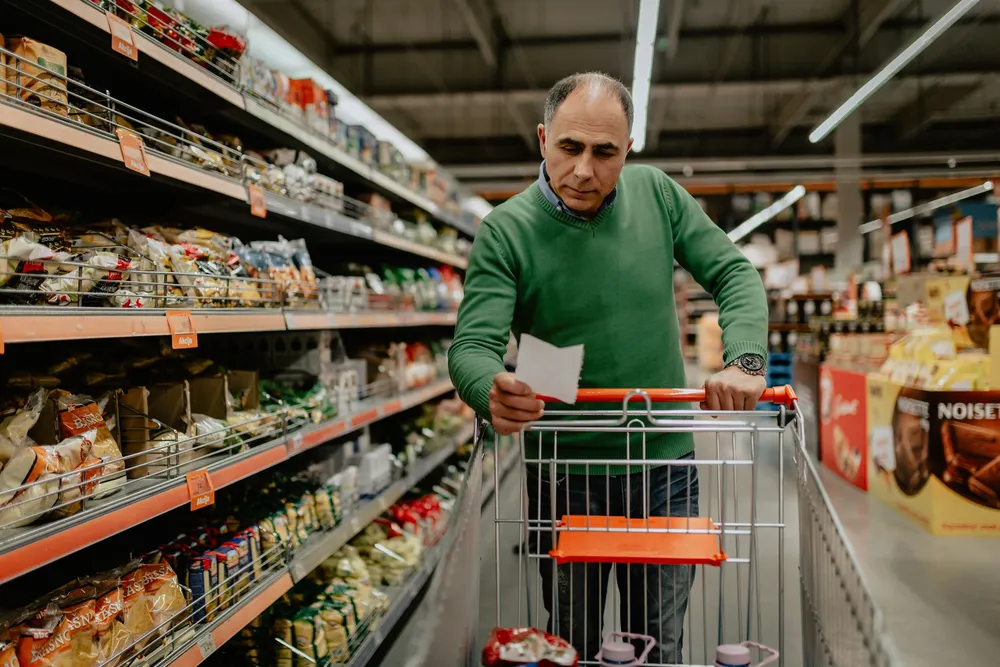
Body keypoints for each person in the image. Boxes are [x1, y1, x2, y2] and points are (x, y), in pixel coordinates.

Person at [448, 72, 768, 663]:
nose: (584, 172)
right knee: (574, 642)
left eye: (605, 153)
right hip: (566, 471)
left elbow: (734, 274)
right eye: (570, 148)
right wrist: (487, 388)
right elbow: (472, 346)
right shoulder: (505, 232)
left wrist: (746, 361)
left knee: (660, 642)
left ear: (629, 150)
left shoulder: (658, 196)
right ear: (543, 139)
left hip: (666, 465)